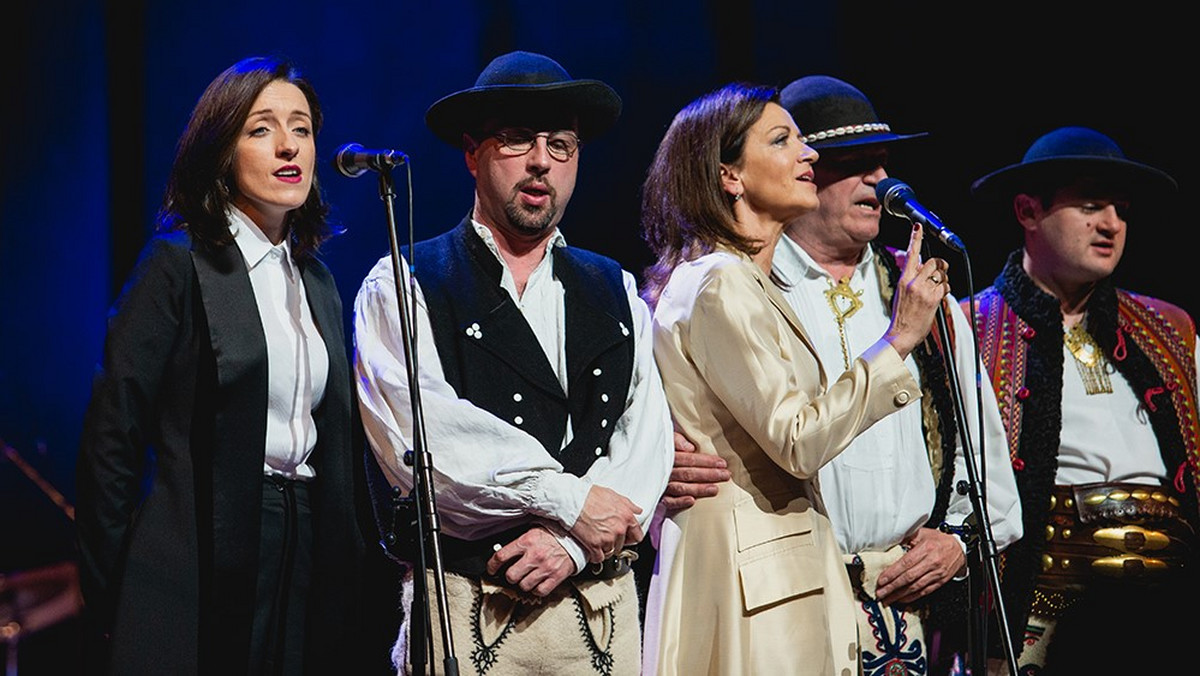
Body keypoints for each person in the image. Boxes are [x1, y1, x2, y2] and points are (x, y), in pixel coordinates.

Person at [353, 51, 673, 676]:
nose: (540, 163)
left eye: (561, 145)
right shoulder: (405, 282)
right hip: (468, 607)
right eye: (517, 140)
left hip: (600, 612)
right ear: (473, 153)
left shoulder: (614, 289)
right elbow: (423, 444)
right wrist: (571, 502)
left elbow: (647, 441)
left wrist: (572, 544)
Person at [638, 81, 952, 676]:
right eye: (783, 140)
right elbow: (798, 440)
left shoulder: (741, 281)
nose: (808, 155)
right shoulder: (719, 282)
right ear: (730, 175)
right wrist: (900, 339)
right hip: (753, 581)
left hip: (773, 573)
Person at [75, 55, 363, 675]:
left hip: (299, 545)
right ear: (221, 149)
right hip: (196, 550)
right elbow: (111, 437)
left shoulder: (316, 280)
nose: (288, 145)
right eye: (260, 129)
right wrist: (113, 590)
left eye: (302, 128)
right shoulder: (178, 264)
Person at [965, 125, 1199, 673]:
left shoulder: (1169, 329)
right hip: (1043, 607)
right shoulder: (971, 327)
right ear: (1027, 212)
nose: (1112, 224)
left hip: (1167, 608)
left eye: (1120, 208)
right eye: (1091, 206)